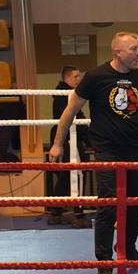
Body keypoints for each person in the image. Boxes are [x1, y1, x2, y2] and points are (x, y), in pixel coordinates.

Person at [49, 32, 138, 274]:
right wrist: (57, 143)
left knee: (136, 204)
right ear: (118, 52)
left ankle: (127, 248)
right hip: (107, 151)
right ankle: (104, 262)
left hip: (136, 149)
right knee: (108, 205)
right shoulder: (96, 77)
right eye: (133, 49)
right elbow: (70, 110)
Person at [46, 66, 91, 228]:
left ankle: (56, 212)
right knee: (77, 174)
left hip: (66, 139)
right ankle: (78, 214)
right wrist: (90, 139)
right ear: (67, 78)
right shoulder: (67, 96)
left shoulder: (64, 95)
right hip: (70, 139)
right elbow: (75, 119)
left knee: (65, 177)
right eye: (76, 76)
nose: (79, 79)